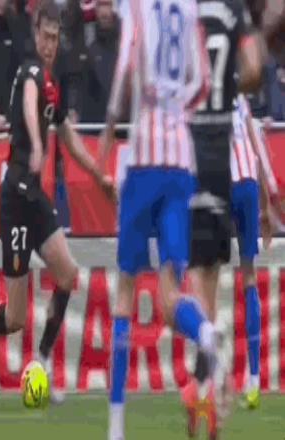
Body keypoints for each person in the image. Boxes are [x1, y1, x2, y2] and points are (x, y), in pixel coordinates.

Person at [0, 0, 115, 405]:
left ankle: (41, 361)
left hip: (36, 200)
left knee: (68, 274)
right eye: (45, 36)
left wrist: (99, 175)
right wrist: (35, 142)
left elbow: (69, 137)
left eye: (55, 38)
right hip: (15, 197)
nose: (50, 44)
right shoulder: (30, 71)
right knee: (13, 319)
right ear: (35, 34)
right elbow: (30, 105)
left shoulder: (52, 83)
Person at [98, 0, 229, 438]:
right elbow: (203, 80)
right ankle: (205, 331)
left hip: (144, 157)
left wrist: (107, 135)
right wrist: (178, 114)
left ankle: (116, 426)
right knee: (172, 288)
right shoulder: (189, 7)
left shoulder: (137, 6)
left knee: (125, 289)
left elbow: (125, 69)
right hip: (181, 160)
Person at [186, 0, 262, 433]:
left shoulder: (184, 13)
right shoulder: (235, 16)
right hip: (228, 173)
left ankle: (209, 384)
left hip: (200, 164)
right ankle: (222, 383)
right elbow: (253, 72)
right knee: (218, 282)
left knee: (192, 284)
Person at [230, 94, 277, 409]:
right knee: (249, 276)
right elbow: (256, 149)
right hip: (247, 185)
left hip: (221, 185)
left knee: (204, 272)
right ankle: (255, 379)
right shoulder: (240, 99)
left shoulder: (202, 92)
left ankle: (206, 380)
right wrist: (265, 204)